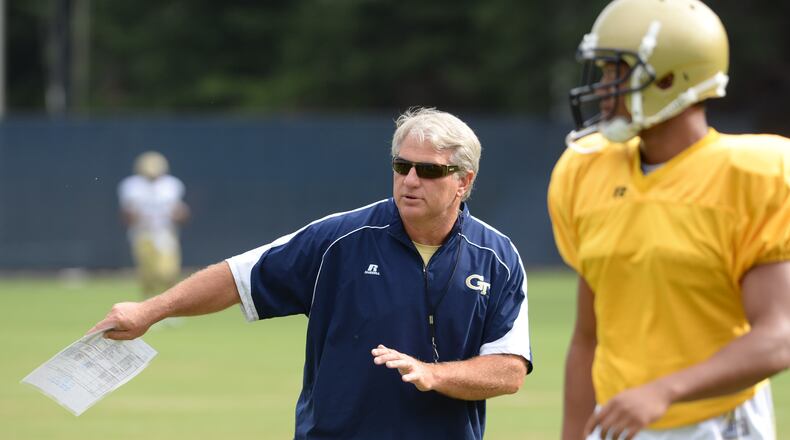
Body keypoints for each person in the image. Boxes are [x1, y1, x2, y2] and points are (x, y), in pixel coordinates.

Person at [93, 108, 532, 439]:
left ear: (464, 181)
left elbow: (509, 370)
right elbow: (237, 277)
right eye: (402, 166)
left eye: (429, 170)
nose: (410, 180)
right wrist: (149, 310)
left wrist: (435, 375)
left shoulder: (498, 257)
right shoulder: (339, 239)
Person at [548, 0, 790, 439]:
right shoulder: (585, 171)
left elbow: (780, 334)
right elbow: (588, 338)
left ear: (667, 77)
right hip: (618, 421)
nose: (602, 88)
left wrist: (664, 390)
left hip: (717, 423)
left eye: (614, 72)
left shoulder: (755, 175)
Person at [118, 151, 190, 298]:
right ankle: (148, 305)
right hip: (142, 233)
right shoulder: (131, 186)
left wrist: (178, 214)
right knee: (148, 274)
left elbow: (182, 212)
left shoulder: (171, 185)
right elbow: (126, 216)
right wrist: (134, 214)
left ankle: (171, 304)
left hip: (165, 232)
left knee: (167, 272)